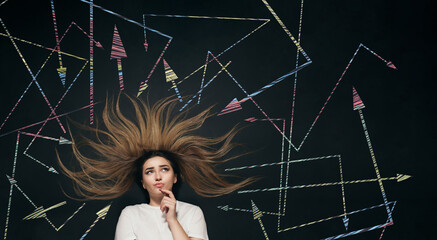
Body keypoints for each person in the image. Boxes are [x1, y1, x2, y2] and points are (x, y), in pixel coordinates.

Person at [57, 95, 256, 240]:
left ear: (176, 177)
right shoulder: (130, 214)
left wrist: (172, 220)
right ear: (143, 183)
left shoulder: (193, 212)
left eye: (165, 169)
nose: (158, 177)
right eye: (149, 172)